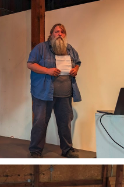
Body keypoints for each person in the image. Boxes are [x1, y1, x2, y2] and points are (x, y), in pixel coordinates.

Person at [26, 23, 82, 158]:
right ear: (51, 34)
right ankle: (35, 150)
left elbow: (78, 62)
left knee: (65, 122)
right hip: (43, 93)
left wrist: (75, 70)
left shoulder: (70, 49)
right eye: (57, 31)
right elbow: (30, 64)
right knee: (40, 122)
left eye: (62, 32)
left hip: (65, 93)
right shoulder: (41, 48)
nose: (60, 34)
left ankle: (67, 149)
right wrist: (47, 71)